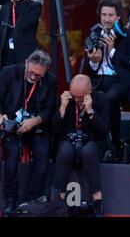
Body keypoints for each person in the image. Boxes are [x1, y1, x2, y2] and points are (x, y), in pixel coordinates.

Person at [85, 0, 130, 162]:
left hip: (122, 80)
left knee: (108, 99)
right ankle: (95, 144)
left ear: (118, 16)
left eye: (110, 15)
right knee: (89, 98)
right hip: (99, 80)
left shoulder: (129, 35)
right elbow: (92, 68)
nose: (106, 19)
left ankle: (114, 146)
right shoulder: (95, 33)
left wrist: (112, 51)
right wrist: (94, 61)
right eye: (103, 15)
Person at [0, 50, 57, 216]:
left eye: (38, 75)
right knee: (10, 157)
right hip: (11, 123)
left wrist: (34, 121)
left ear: (46, 71)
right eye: (31, 73)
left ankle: (31, 201)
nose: (33, 77)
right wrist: (1, 116)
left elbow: (49, 109)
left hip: (35, 125)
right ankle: (10, 202)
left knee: (42, 154)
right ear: (26, 63)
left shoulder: (51, 80)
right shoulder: (8, 72)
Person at [52, 74, 110, 217]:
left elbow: (104, 130)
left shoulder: (101, 100)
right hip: (67, 141)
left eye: (80, 97)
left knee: (88, 151)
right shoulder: (65, 100)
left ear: (90, 90)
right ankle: (59, 201)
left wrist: (90, 111)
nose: (77, 100)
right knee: (65, 151)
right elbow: (54, 130)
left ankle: (97, 201)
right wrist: (62, 109)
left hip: (94, 142)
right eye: (74, 96)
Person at [0, 0, 42, 70]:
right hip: (7, 55)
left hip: (24, 54)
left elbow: (25, 23)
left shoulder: (34, 6)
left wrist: (20, 2)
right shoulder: (6, 8)